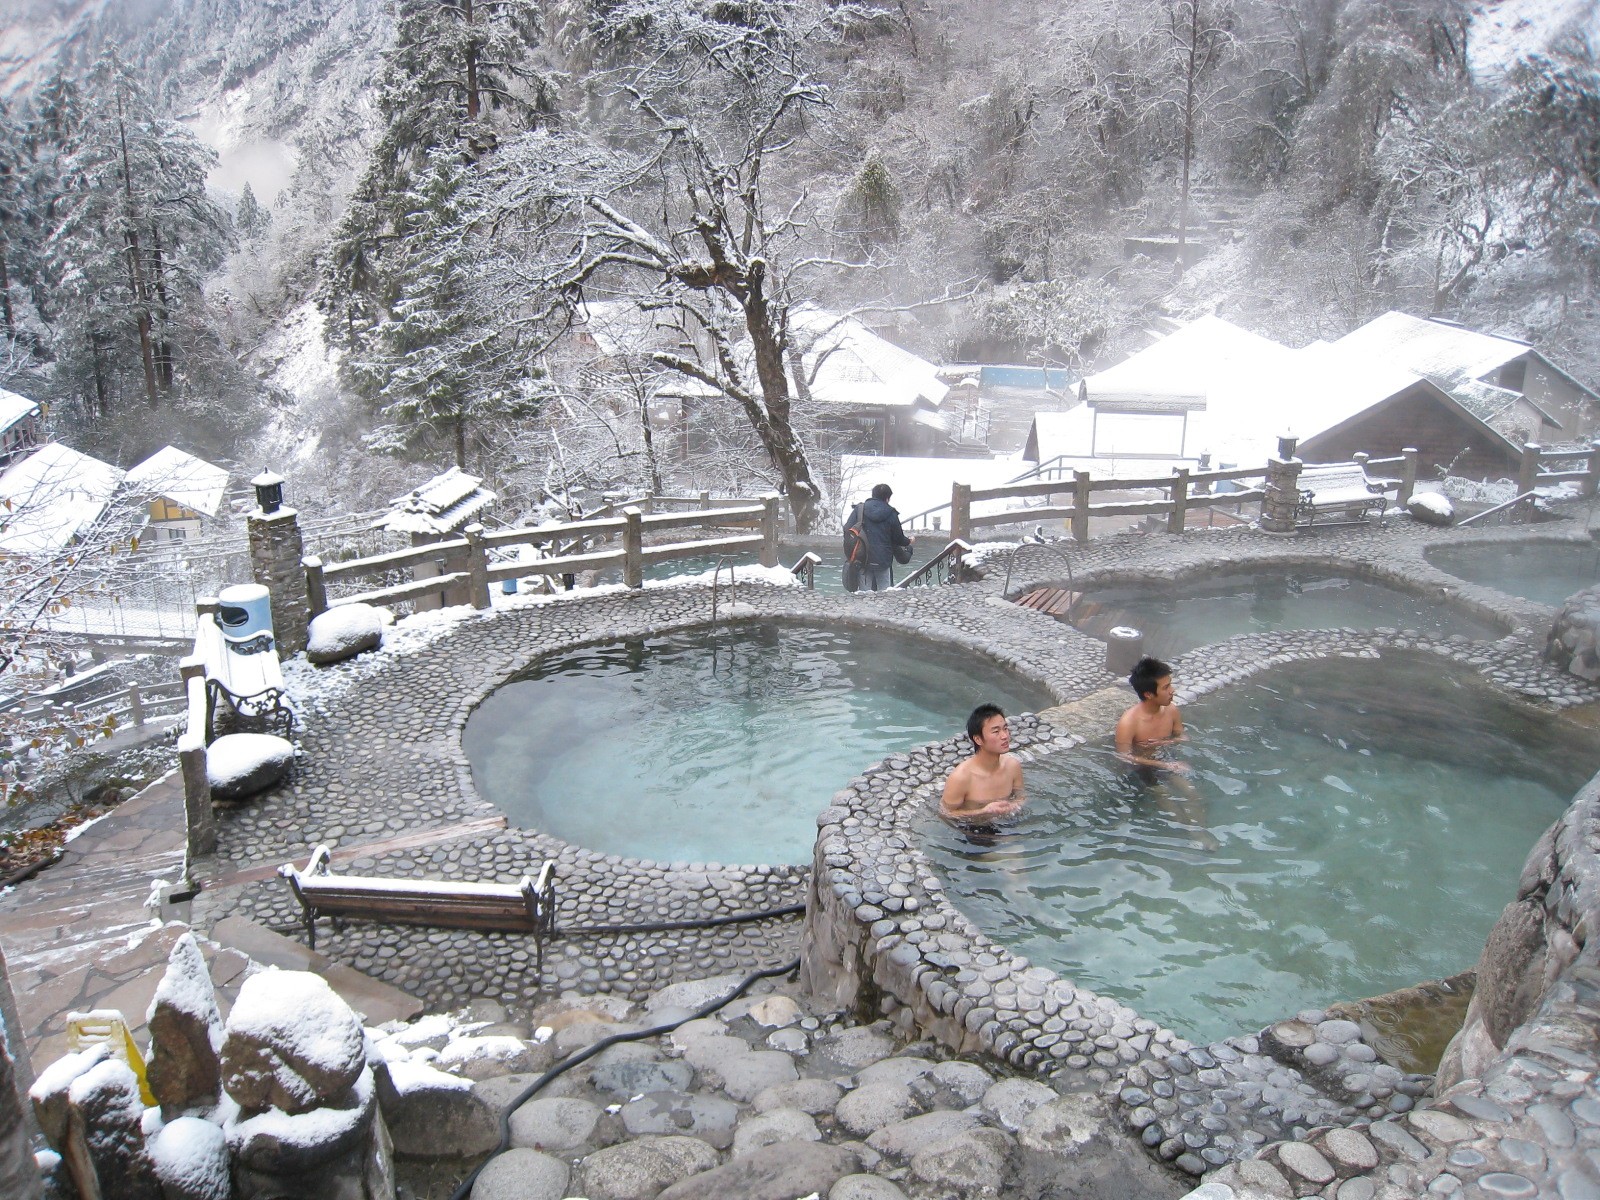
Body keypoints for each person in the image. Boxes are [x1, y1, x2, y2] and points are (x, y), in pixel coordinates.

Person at [1114, 656, 1217, 849]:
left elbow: (1183, 737)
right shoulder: (1129, 722)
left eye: (1170, 685)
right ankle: (1190, 836)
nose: (1172, 690)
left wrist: (1165, 742)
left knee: (1193, 793)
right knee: (1166, 797)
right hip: (1142, 769)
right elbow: (1123, 757)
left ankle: (1200, 832)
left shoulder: (1171, 711)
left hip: (1165, 761)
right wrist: (1165, 765)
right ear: (1148, 694)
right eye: (1166, 687)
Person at [940, 703, 1026, 825]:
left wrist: (1014, 806)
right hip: (972, 830)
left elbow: (1021, 796)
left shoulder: (1012, 766)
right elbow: (946, 813)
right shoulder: (961, 777)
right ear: (978, 739)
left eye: (1005, 728)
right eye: (996, 731)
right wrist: (983, 811)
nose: (1005, 736)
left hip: (1007, 822)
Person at [859, 483, 913, 592]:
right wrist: (909, 541)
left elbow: (848, 530)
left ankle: (863, 609)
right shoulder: (891, 513)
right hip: (882, 560)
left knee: (863, 595)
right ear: (887, 498)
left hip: (862, 557)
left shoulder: (860, 509)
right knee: (885, 594)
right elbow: (898, 538)